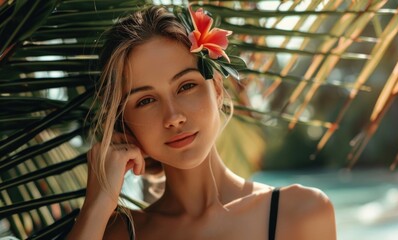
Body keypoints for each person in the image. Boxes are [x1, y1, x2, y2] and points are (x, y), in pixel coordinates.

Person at [67, 4, 336, 240]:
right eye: (145, 101)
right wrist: (98, 204)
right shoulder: (115, 233)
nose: (173, 117)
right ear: (123, 121)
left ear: (217, 89)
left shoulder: (299, 213)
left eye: (186, 86)